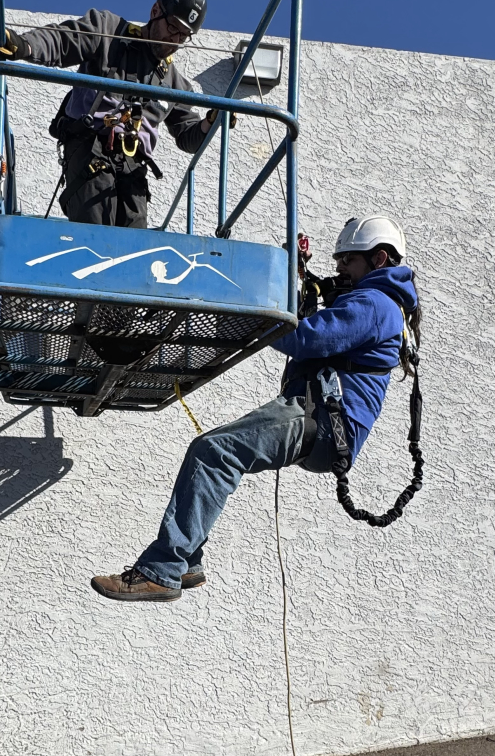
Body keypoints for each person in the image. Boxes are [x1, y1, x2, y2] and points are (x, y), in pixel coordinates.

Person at [91, 215, 420, 602]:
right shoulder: (380, 305)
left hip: (323, 421)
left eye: (348, 261)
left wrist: (251, 309)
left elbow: (307, 338)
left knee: (213, 452)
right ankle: (185, 563)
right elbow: (319, 328)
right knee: (213, 450)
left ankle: (163, 570)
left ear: (379, 259)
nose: (340, 269)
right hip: (323, 420)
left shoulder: (375, 303)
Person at [0, 0, 222, 228]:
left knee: (134, 245)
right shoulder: (108, 31)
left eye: (184, 35)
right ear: (156, 10)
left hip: (133, 168)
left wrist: (211, 122)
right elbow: (64, 40)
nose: (175, 41)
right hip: (91, 149)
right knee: (97, 227)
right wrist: (25, 46)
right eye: (173, 28)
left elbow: (188, 136)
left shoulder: (175, 84)